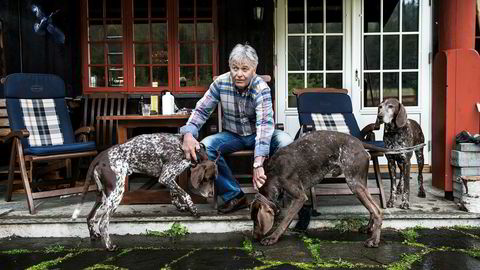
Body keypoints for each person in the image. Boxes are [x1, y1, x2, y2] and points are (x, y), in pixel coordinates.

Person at [180, 43, 293, 214]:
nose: (239, 74)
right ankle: (234, 195)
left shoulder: (261, 87)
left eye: (245, 69)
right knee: (205, 146)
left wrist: (258, 163)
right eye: (235, 68)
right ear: (230, 68)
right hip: (233, 135)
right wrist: (188, 132)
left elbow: (264, 125)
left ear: (254, 69)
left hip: (260, 135)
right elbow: (202, 110)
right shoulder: (220, 83)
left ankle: (275, 194)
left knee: (286, 142)